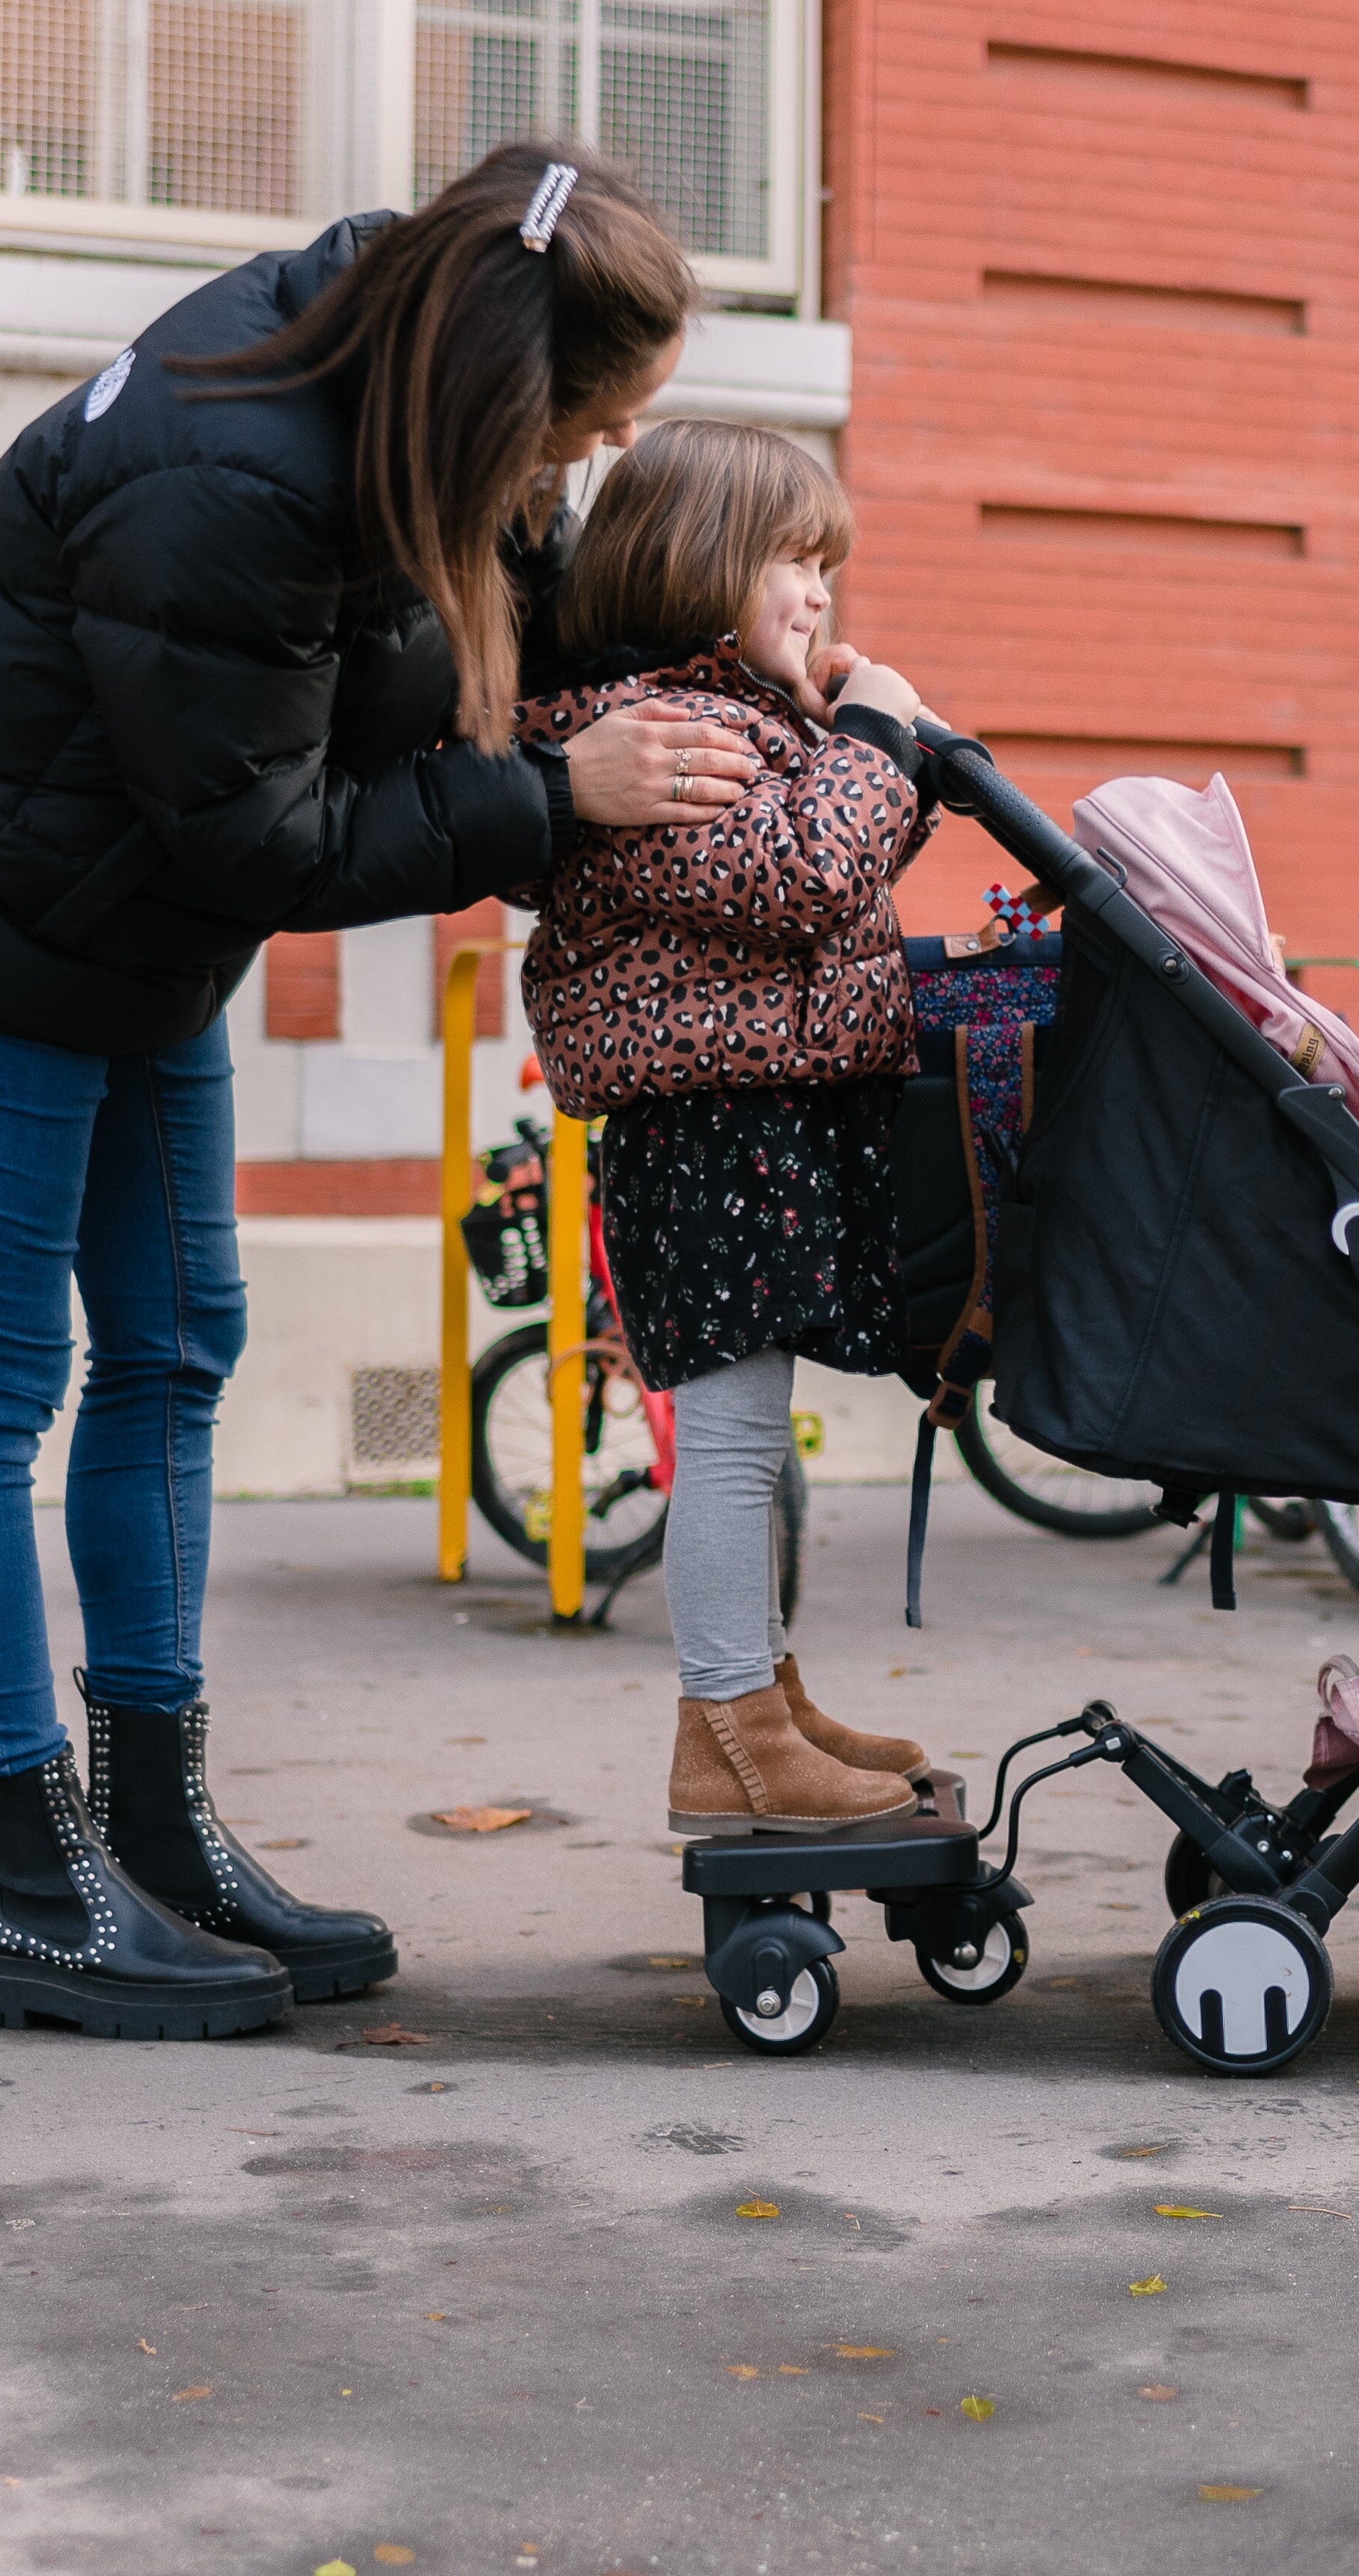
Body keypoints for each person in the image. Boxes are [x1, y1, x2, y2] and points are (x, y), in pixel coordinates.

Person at [0, 141, 772, 2041]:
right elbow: (265, 834)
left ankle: (155, 1831)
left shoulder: (420, 398)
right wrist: (549, 805)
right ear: (513, 380)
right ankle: (36, 1884)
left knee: (175, 1341)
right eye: (601, 418)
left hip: (135, 917)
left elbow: (495, 649)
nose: (596, 455)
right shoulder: (227, 482)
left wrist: (745, 638)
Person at [515, 418, 943, 1831]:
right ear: (697, 566)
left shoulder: (745, 720)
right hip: (700, 1134)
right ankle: (728, 1726)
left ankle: (762, 1692)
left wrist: (872, 750)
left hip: (745, 1119)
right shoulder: (662, 735)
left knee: (753, 1432)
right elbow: (803, 877)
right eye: (790, 561)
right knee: (734, 1435)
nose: (818, 593)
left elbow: (822, 870)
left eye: (828, 566)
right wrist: (876, 739)